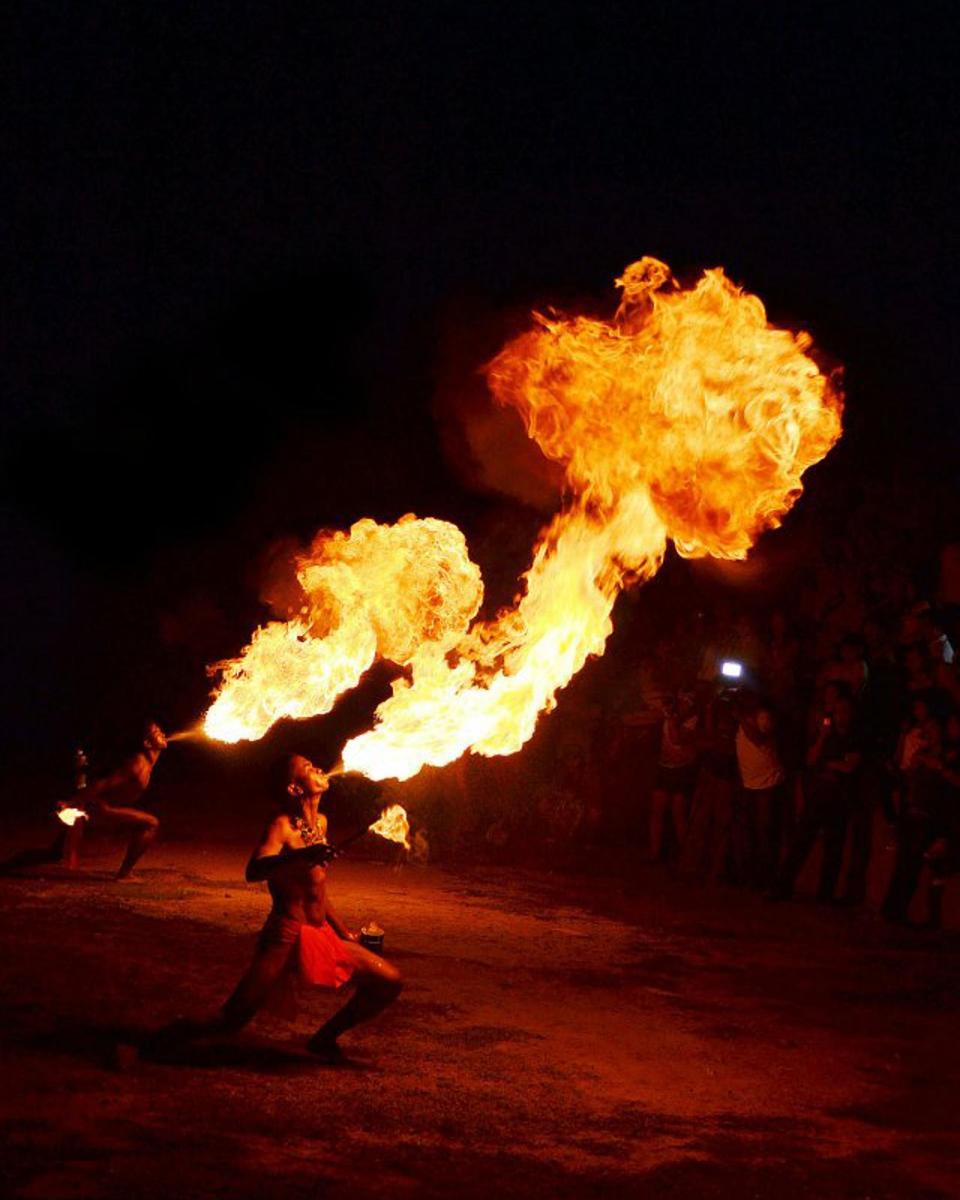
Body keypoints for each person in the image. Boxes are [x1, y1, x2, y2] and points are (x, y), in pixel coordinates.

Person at [152, 753, 402, 1063]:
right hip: (285, 936)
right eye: (309, 768)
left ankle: (323, 1040)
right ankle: (154, 1044)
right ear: (295, 789)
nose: (319, 768)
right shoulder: (282, 826)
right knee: (229, 1021)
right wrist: (300, 857)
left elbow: (317, 889)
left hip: (319, 934)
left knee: (389, 980)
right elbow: (254, 870)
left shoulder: (321, 823)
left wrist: (344, 932)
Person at [0, 721, 168, 880]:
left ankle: (5, 867)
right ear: (147, 743)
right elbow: (100, 785)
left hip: (99, 809)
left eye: (160, 730)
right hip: (99, 809)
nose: (162, 733)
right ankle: (124, 875)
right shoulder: (137, 766)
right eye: (156, 732)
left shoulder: (146, 764)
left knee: (54, 853)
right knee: (151, 823)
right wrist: (71, 802)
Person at [771, 696, 863, 903]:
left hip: (839, 797)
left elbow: (849, 767)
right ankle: (783, 886)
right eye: (837, 712)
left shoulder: (853, 739)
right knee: (801, 841)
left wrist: (829, 764)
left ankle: (825, 894)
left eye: (844, 712)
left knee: (834, 847)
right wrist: (822, 738)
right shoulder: (826, 736)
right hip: (818, 795)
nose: (840, 716)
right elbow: (811, 759)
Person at [733, 698, 787, 889]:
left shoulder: (763, 724)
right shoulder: (744, 725)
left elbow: (758, 737)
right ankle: (750, 876)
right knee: (750, 833)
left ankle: (767, 878)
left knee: (766, 833)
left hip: (768, 786)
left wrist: (739, 717)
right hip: (750, 787)